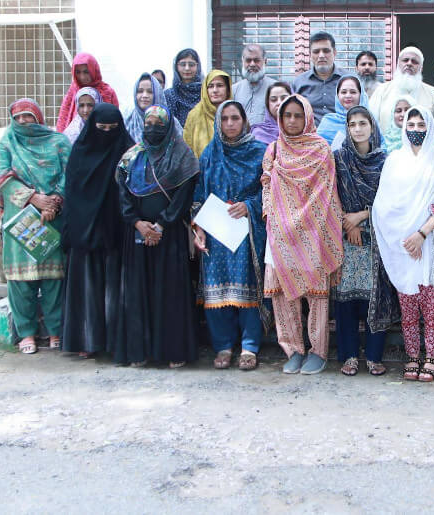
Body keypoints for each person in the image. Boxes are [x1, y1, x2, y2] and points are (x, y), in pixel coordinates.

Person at [374, 106, 434, 382]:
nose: (416, 130)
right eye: (411, 124)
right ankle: (412, 356)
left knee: (432, 308)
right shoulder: (394, 161)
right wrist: (404, 237)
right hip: (402, 246)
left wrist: (421, 234)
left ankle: (432, 358)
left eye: (421, 125)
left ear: (431, 127)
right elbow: (383, 205)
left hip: (431, 242)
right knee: (408, 309)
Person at [0, 98, 70, 355]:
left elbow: (70, 173)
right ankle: (27, 333)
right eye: (17, 117)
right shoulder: (7, 142)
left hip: (53, 217)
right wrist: (33, 198)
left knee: (53, 278)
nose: (23, 121)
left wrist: (54, 202)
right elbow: (1, 176)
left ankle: (55, 331)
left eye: (28, 116)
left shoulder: (59, 142)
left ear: (38, 117)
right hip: (19, 218)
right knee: (20, 281)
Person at [262, 94, 344, 375]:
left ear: (308, 117)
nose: (292, 121)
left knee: (316, 295)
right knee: (282, 296)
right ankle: (294, 350)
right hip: (279, 233)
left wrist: (305, 221)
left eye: (298, 115)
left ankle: (318, 352)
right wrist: (272, 216)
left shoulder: (321, 149)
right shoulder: (274, 149)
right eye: (287, 115)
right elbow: (266, 186)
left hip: (313, 231)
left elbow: (327, 192)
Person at [113, 105, 200, 368]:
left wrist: (161, 224)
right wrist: (138, 223)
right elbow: (123, 194)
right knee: (138, 292)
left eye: (159, 124)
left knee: (170, 293)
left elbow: (183, 196)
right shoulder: (131, 158)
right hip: (137, 235)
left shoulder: (183, 156)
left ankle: (172, 350)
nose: (153, 128)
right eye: (148, 123)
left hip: (170, 236)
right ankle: (139, 351)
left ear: (169, 126)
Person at [192, 101, 268, 371]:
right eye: (224, 119)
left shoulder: (259, 152)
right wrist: (199, 227)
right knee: (217, 289)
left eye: (235, 118)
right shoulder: (210, 153)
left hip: (247, 232)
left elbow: (269, 191)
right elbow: (199, 193)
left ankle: (249, 346)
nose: (230, 124)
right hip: (216, 231)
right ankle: (223, 345)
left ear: (245, 121)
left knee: (248, 286)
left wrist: (248, 206)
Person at [61, 103, 132, 358]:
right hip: (85, 231)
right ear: (92, 127)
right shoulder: (80, 152)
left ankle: (115, 342)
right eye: (101, 128)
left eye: (112, 129)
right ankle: (87, 341)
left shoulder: (128, 150)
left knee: (116, 291)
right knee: (87, 288)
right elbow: (72, 192)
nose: (107, 134)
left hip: (117, 231)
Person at [333, 106, 398, 377]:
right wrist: (348, 224)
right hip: (345, 237)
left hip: (376, 239)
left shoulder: (385, 161)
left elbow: (391, 201)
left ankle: (373, 356)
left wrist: (361, 217)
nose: (358, 129)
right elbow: (331, 195)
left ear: (373, 127)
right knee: (345, 298)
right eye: (352, 124)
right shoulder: (339, 159)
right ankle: (349, 355)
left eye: (363, 123)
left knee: (376, 295)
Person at [370, 46, 434, 139]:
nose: (409, 63)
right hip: (387, 147)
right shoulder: (382, 90)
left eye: (414, 61)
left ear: (421, 68)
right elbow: (371, 123)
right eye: (405, 60)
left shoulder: (432, 93)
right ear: (398, 64)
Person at [292, 31, 350, 124]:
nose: (321, 55)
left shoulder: (349, 80)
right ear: (310, 55)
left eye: (326, 51)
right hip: (310, 132)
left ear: (334, 52)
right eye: (316, 52)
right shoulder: (299, 82)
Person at [55, 53, 119, 133]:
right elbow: (64, 117)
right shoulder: (73, 89)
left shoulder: (107, 92)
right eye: (78, 72)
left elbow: (115, 120)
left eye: (86, 72)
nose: (82, 77)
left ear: (94, 70)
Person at [183, 69, 233, 157]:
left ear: (228, 90)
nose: (215, 90)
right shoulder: (195, 114)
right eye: (210, 86)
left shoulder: (235, 114)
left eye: (220, 85)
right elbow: (186, 147)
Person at [316, 75, 369, 149]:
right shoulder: (328, 121)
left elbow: (380, 147)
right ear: (337, 95)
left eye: (353, 92)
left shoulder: (370, 120)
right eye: (343, 92)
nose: (348, 95)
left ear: (361, 95)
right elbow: (318, 150)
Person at [232, 44, 276, 125]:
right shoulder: (234, 90)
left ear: (265, 61)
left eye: (256, 60)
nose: (252, 64)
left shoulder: (275, 88)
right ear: (243, 61)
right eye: (248, 60)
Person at [125, 72, 172, 144]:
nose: (144, 95)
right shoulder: (128, 119)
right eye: (140, 91)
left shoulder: (169, 122)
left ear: (157, 94)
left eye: (150, 92)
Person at [164, 48, 206, 126]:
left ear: (198, 66)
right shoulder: (168, 95)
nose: (187, 68)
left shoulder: (205, 93)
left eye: (191, 65)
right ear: (176, 67)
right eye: (183, 64)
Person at [250, 81, 292, 145]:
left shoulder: (303, 131)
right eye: (273, 100)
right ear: (268, 105)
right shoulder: (259, 133)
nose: (279, 103)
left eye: (284, 98)